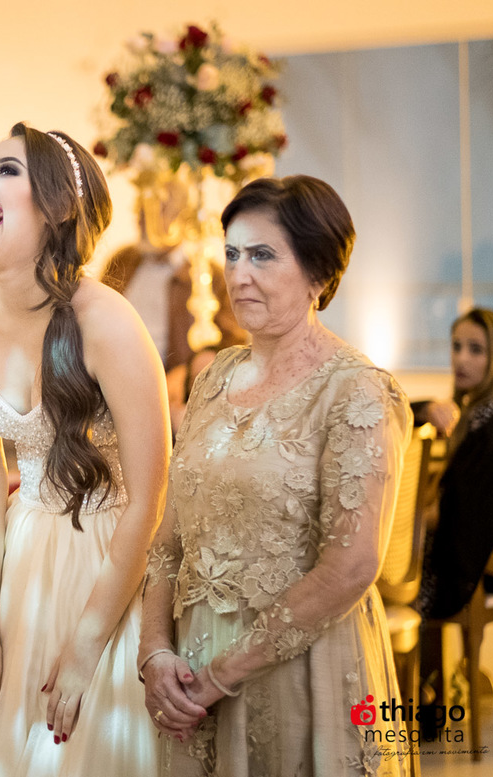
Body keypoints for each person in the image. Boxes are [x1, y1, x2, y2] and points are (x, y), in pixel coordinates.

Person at [0, 123, 167, 775]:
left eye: (6, 170)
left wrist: (85, 645)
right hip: (19, 565)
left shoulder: (108, 320)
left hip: (111, 565)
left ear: (58, 207)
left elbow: (151, 497)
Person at [139, 176, 412, 775]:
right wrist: (155, 651)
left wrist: (220, 677)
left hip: (297, 668)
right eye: (232, 254)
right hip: (186, 671)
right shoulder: (213, 376)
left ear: (318, 274)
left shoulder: (355, 391)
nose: (239, 275)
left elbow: (350, 568)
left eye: (263, 255)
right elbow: (169, 537)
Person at [416, 308, 493, 619]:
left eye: (476, 350)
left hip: (474, 569)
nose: (461, 359)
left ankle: (427, 669)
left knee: (393, 568)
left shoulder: (488, 425)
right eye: (456, 346)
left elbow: (460, 517)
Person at [101, 173, 246, 375]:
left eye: (154, 211)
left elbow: (233, 346)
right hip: (106, 373)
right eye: (140, 209)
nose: (141, 219)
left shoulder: (208, 276)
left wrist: (186, 375)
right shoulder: (123, 260)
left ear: (180, 217)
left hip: (167, 387)